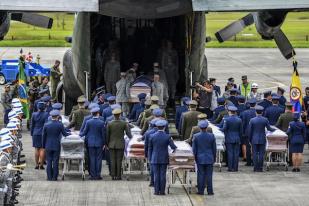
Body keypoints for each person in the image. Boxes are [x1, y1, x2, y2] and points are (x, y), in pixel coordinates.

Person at [149, 119, 177, 195]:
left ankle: (156, 191)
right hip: (164, 158)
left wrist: (150, 158)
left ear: (157, 127)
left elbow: (150, 149)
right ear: (164, 127)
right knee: (162, 175)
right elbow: (173, 147)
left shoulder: (152, 136)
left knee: (156, 175)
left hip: (154, 158)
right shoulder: (167, 136)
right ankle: (162, 191)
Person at [42, 110, 70, 181]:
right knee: (55, 161)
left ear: (51, 116)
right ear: (58, 116)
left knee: (49, 161)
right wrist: (71, 134)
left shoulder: (46, 124)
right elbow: (65, 134)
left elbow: (43, 136)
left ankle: (49, 177)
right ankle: (54, 177)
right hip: (56, 145)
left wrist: (43, 145)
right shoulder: (60, 124)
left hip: (48, 145)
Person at [79, 107, 105, 180]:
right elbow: (103, 134)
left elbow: (84, 132)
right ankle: (98, 175)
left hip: (90, 143)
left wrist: (78, 135)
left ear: (92, 114)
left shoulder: (88, 122)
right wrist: (104, 143)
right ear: (98, 114)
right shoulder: (101, 122)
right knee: (99, 159)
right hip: (99, 143)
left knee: (92, 158)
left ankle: (93, 175)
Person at [106, 108, 132, 180]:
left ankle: (113, 175)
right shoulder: (124, 123)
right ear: (119, 115)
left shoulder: (109, 123)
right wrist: (132, 138)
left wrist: (107, 144)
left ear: (113, 115)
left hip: (111, 144)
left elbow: (107, 135)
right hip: (120, 144)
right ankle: (118, 176)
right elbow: (128, 133)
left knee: (112, 160)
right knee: (119, 160)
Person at [248, 106, 275, 172]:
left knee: (254, 154)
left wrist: (250, 139)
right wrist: (274, 129)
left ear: (255, 112)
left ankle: (255, 167)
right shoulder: (265, 119)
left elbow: (250, 131)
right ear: (262, 112)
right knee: (261, 154)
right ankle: (260, 168)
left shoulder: (252, 120)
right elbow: (269, 129)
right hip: (262, 138)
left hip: (254, 138)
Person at [192, 120, 216, 195]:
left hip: (200, 158)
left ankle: (200, 191)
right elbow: (214, 149)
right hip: (209, 157)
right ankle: (210, 191)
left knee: (200, 175)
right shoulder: (211, 136)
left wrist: (194, 158)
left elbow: (194, 149)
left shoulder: (196, 136)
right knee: (209, 175)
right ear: (207, 127)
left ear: (199, 127)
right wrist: (214, 158)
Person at [221, 106, 242, 172]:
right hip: (237, 138)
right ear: (235, 112)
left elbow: (224, 129)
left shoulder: (227, 119)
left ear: (229, 111)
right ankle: (235, 168)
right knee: (236, 154)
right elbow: (241, 131)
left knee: (230, 153)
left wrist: (218, 129)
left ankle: (230, 168)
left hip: (229, 138)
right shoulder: (239, 119)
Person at [30, 102, 49, 169]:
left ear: (38, 107)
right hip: (43, 133)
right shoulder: (46, 114)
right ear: (44, 107)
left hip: (35, 132)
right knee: (42, 149)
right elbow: (46, 124)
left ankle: (36, 164)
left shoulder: (34, 114)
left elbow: (32, 125)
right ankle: (41, 164)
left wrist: (32, 133)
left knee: (36, 148)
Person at [240, 98, 257, 165]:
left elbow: (243, 123)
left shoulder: (244, 113)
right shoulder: (258, 111)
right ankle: (254, 160)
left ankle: (249, 161)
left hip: (247, 131)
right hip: (256, 131)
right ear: (255, 104)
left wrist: (243, 132)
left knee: (248, 147)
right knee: (255, 147)